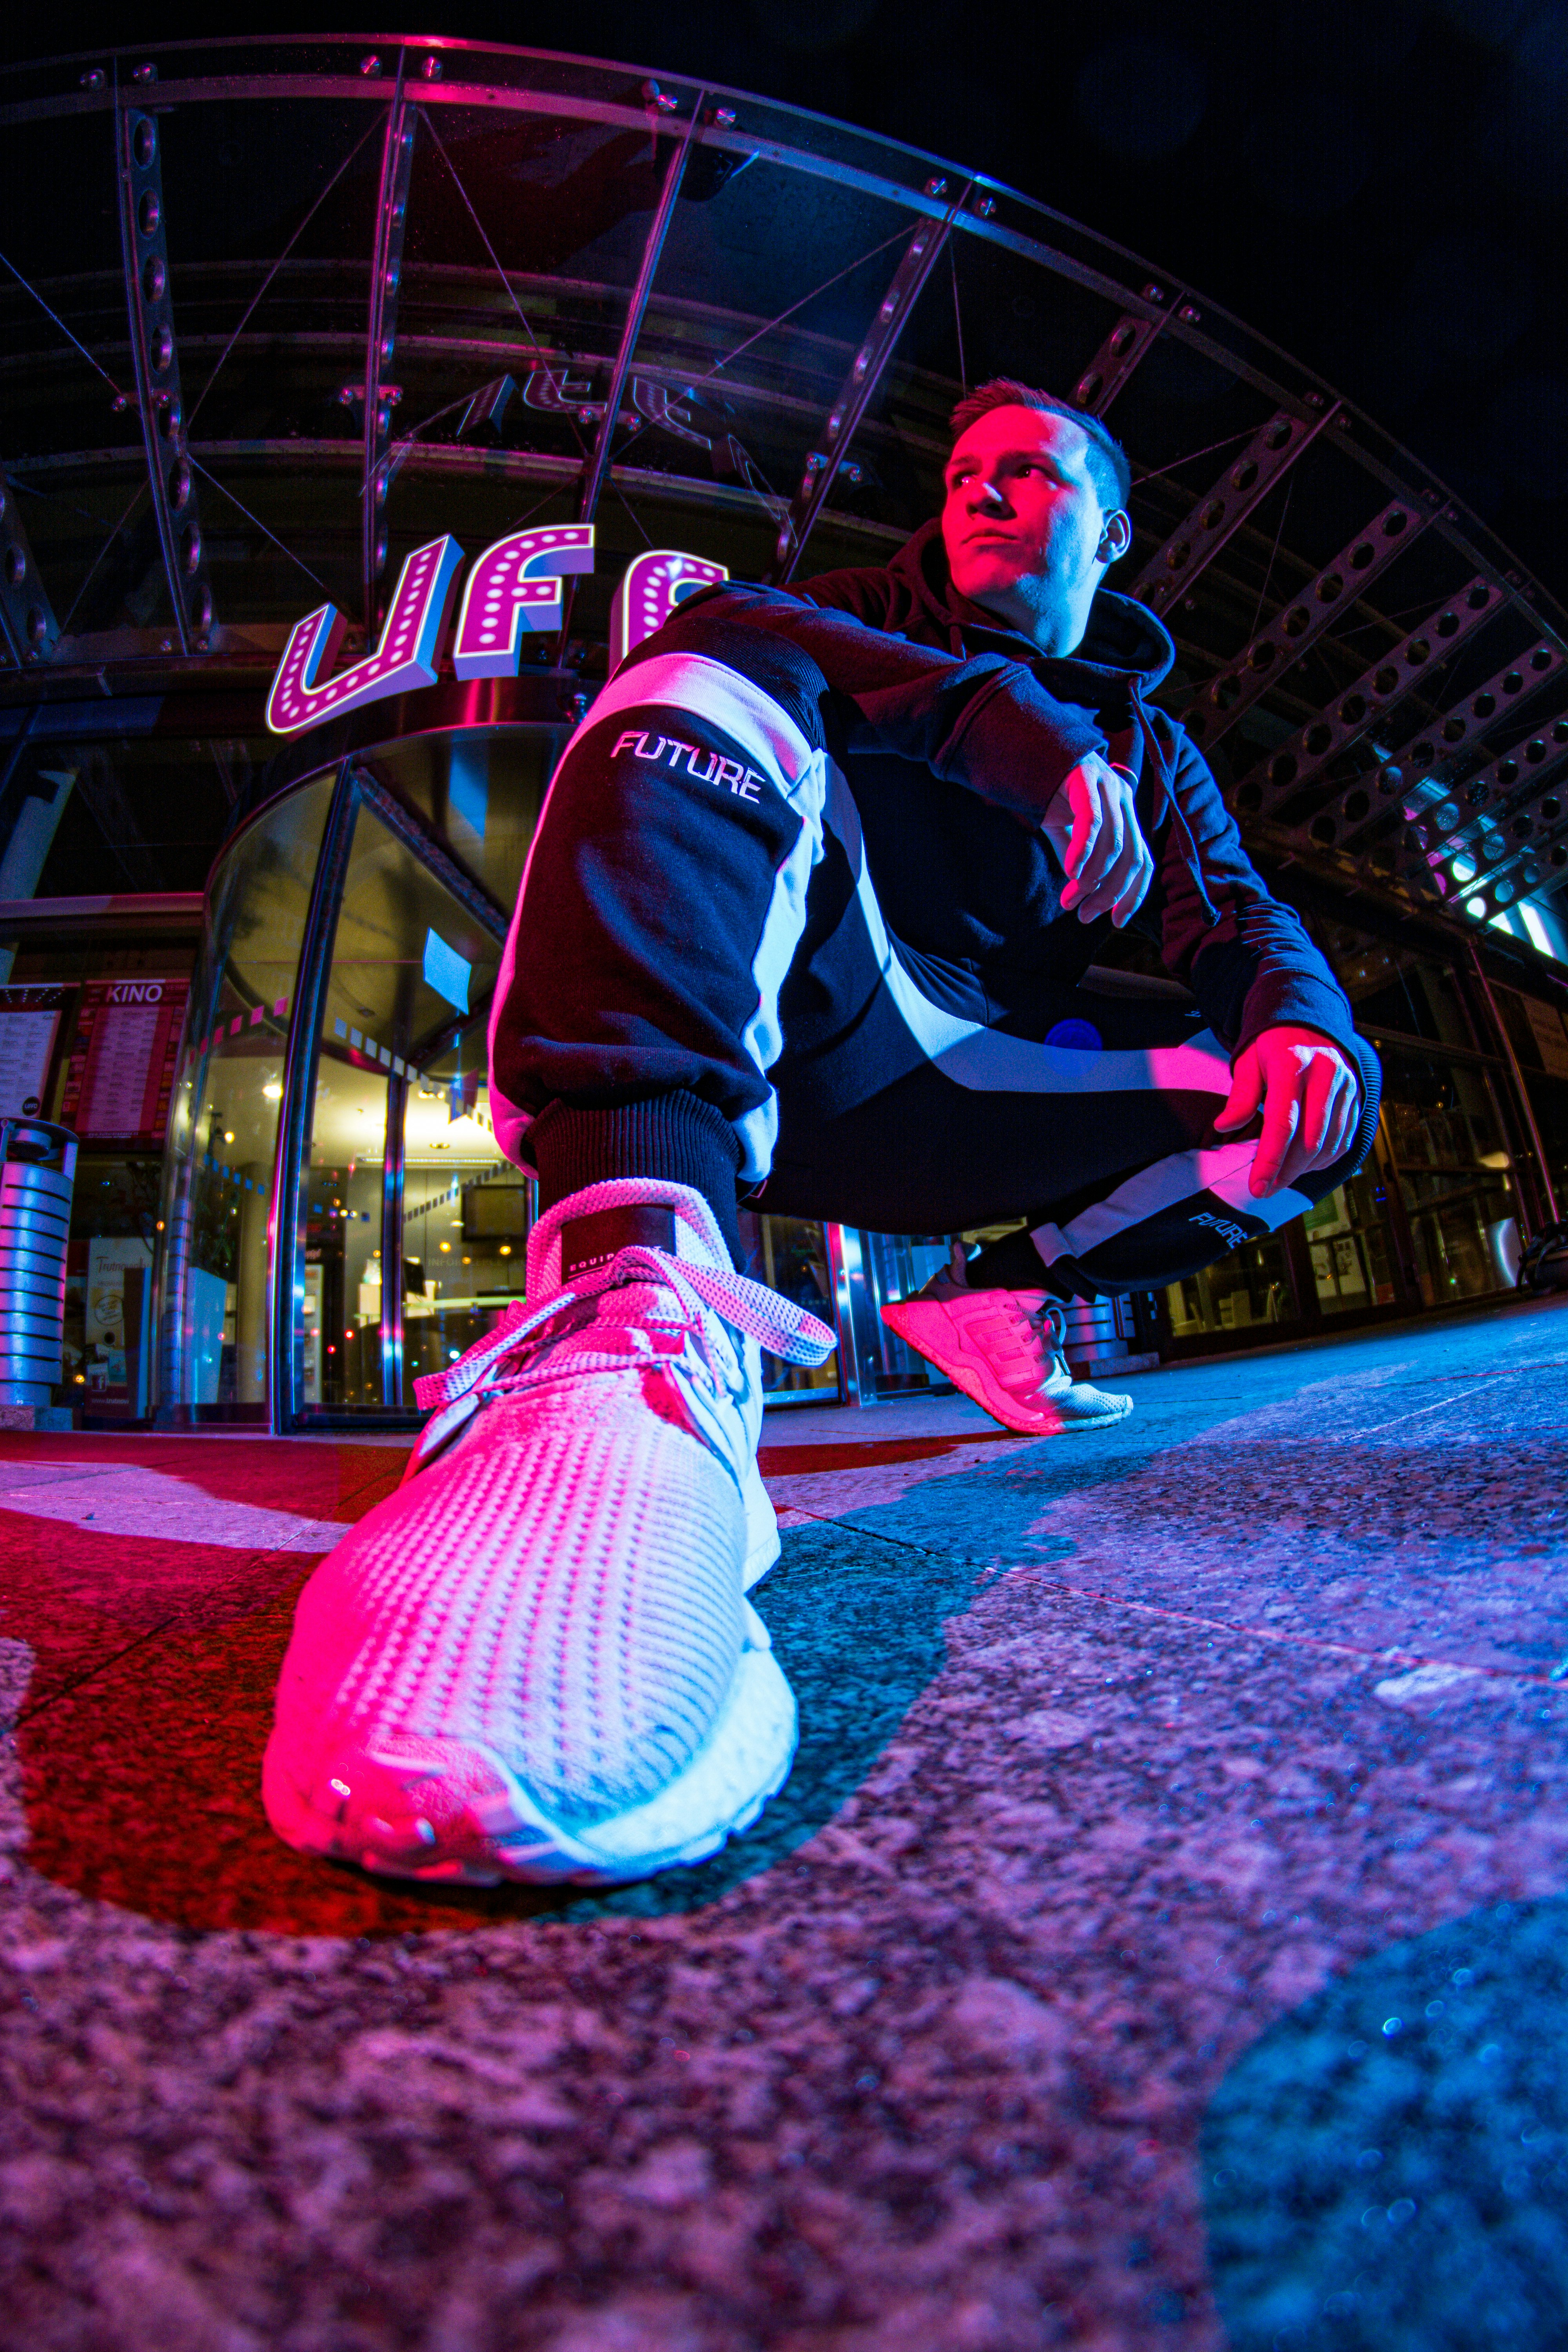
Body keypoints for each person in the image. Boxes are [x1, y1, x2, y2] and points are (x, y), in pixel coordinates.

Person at [263, 379, 1378, 1893]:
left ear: (1111, 529)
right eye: (964, 473)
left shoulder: (1158, 750)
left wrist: (1302, 1017)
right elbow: (722, 636)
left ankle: (1007, 1303)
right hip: (792, 1030)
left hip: (969, 1083)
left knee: (1303, 1101)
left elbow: (1235, 916)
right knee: (703, 681)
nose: (979, 494)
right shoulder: (855, 612)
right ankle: (627, 1300)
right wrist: (1001, 729)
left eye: (1029, 475)